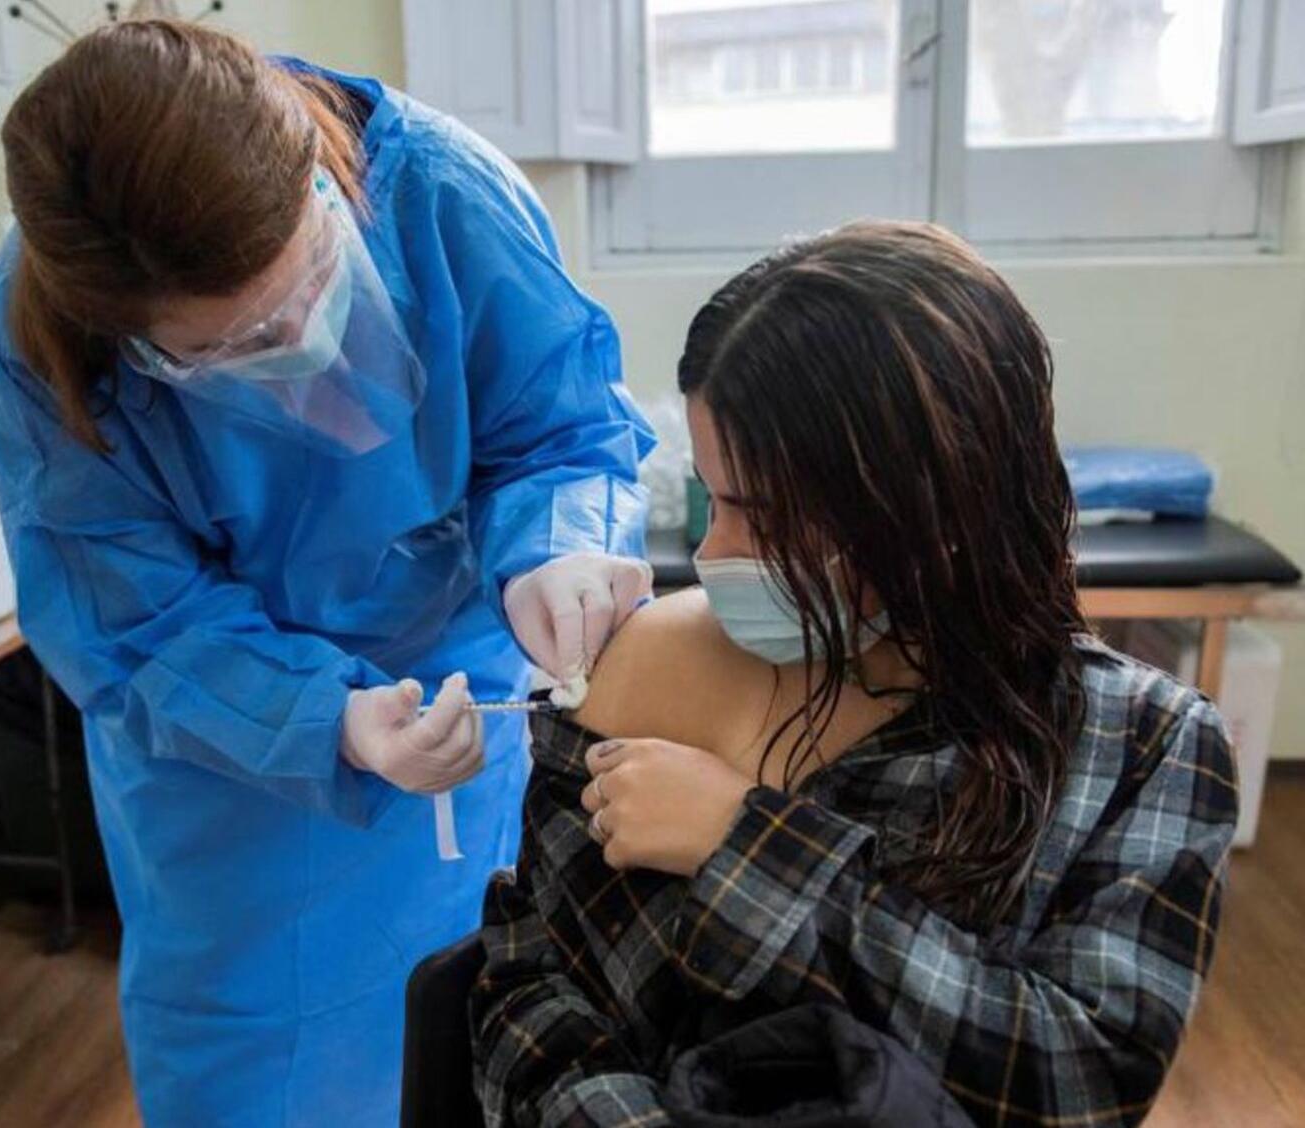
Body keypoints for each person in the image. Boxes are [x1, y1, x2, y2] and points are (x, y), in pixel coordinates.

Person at [0, 20, 653, 1126]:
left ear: (319, 180)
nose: (297, 348)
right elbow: (131, 616)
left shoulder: (443, 195)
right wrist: (325, 718)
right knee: (252, 1064)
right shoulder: (29, 332)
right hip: (227, 747)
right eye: (228, 348)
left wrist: (561, 547)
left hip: (452, 691)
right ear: (127, 342)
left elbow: (563, 432)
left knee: (461, 1019)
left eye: (307, 288)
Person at [473, 222, 1238, 1127]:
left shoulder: (1141, 748)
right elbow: (526, 986)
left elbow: (1078, 1082)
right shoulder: (635, 669)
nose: (715, 554)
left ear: (937, 509)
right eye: (713, 501)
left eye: (764, 519)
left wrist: (747, 849)